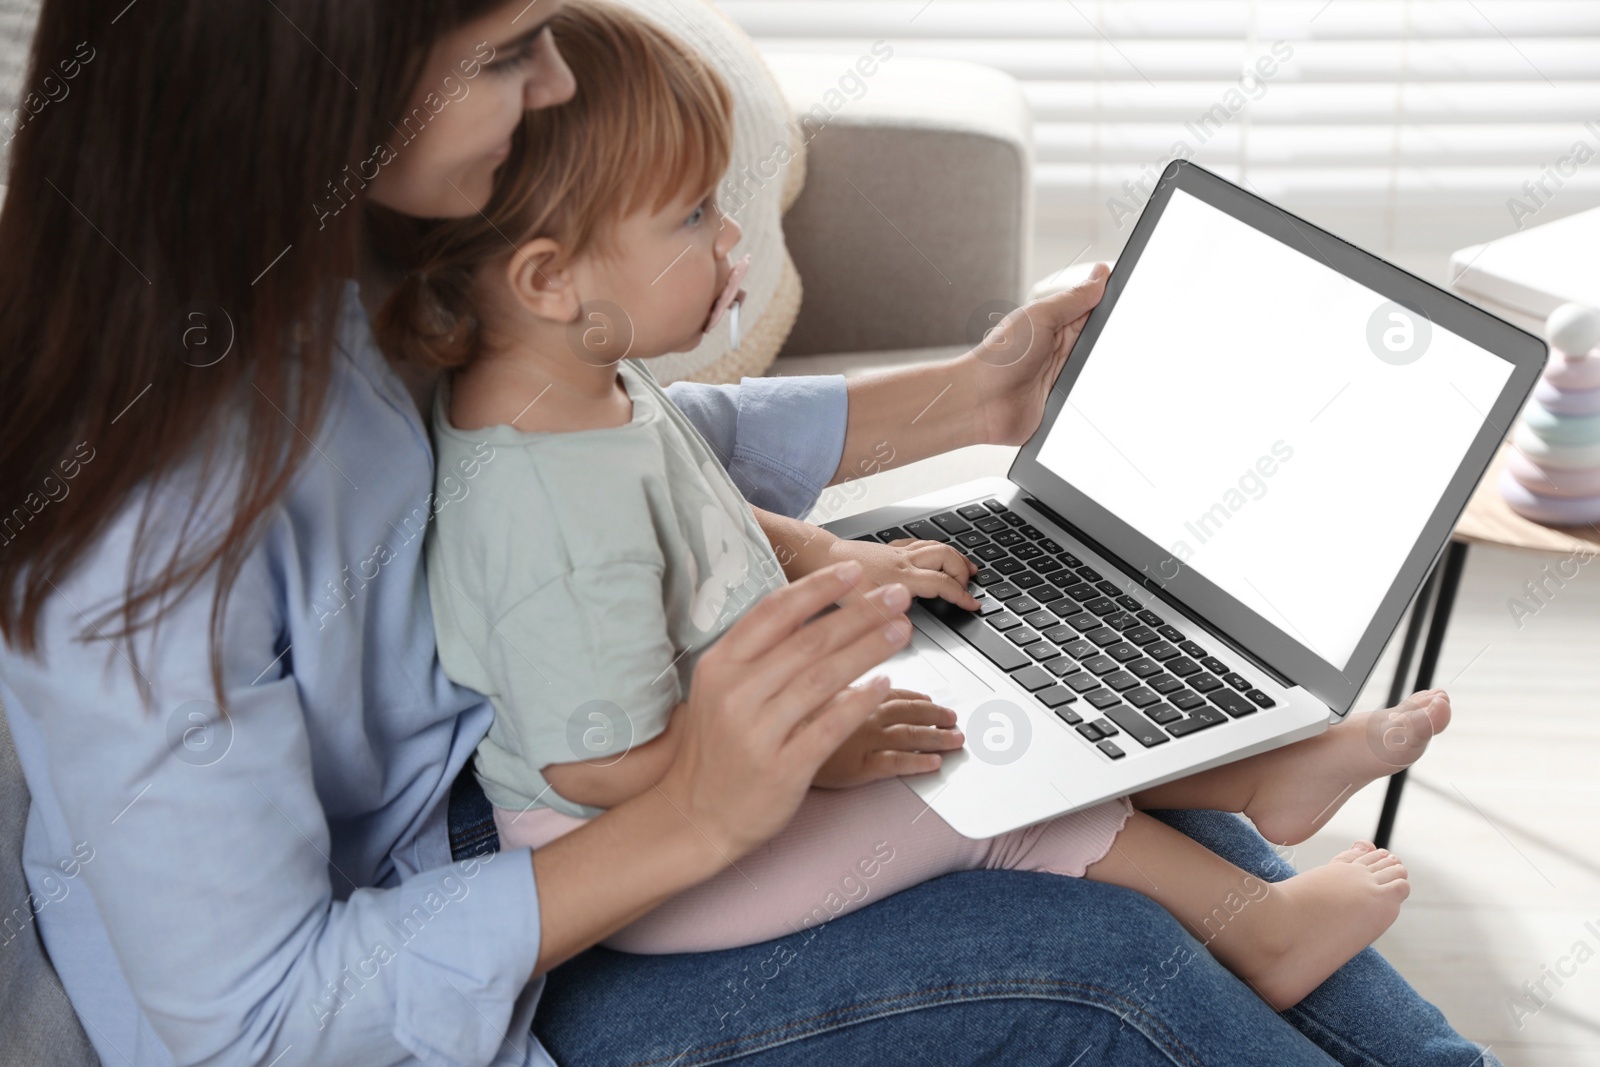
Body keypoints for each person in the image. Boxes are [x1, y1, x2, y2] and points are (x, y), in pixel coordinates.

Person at [0, 0, 1496, 1063]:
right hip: (479, 934)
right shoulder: (132, 538)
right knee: (1102, 960)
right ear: (308, 87)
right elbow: (259, 1028)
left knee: (1110, 758)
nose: (554, 82)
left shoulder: (335, 276)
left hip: (544, 784)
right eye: (508, 52)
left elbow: (609, 451)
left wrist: (970, 394)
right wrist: (700, 807)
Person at [383, 0, 1446, 1013]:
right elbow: (594, 764)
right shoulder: (544, 506)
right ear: (548, 278)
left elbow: (697, 516)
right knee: (977, 788)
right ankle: (1259, 929)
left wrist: (826, 560)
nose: (731, 244)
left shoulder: (587, 386)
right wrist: (811, 757)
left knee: (982, 697)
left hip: (718, 745)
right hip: (648, 861)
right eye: (693, 215)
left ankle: (1261, 773)